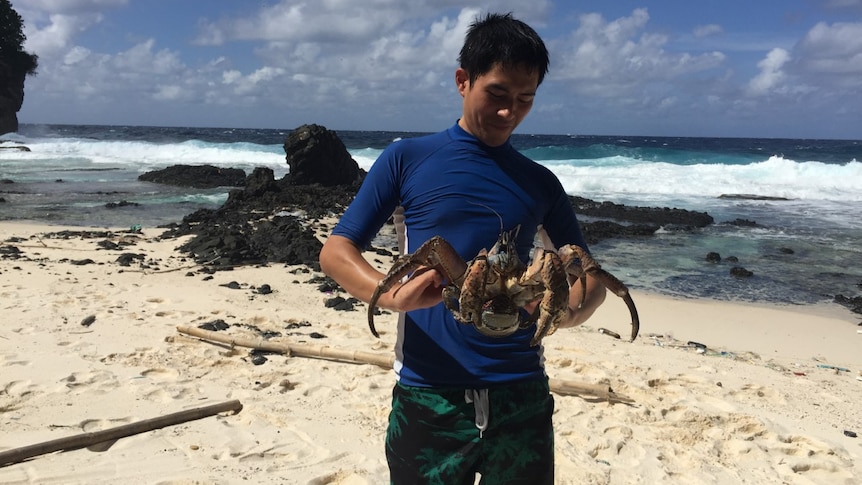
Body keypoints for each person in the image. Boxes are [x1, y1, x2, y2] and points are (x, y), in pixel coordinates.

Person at [319, 12, 607, 484]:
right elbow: (336, 251)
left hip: (522, 394)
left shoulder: (540, 182)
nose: (508, 111)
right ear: (462, 80)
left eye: (524, 99)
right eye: (497, 93)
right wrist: (389, 296)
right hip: (430, 392)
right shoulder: (407, 159)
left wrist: (572, 309)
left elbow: (588, 268)